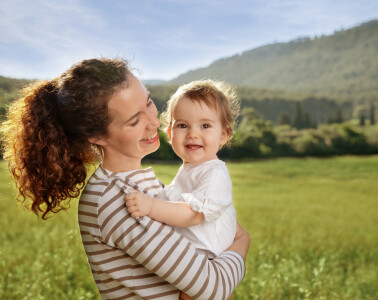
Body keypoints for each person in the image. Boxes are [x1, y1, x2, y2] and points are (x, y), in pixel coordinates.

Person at [0, 58, 250, 300]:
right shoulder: (118, 199)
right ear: (98, 136)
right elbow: (213, 287)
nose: (155, 122)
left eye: (149, 102)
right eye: (135, 120)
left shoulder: (138, 185)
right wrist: (241, 242)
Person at [125, 80, 239, 259]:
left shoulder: (214, 174)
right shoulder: (190, 170)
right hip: (190, 255)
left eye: (205, 126)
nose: (193, 134)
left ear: (223, 135)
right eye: (182, 125)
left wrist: (151, 206)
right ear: (170, 134)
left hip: (207, 258)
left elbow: (193, 215)